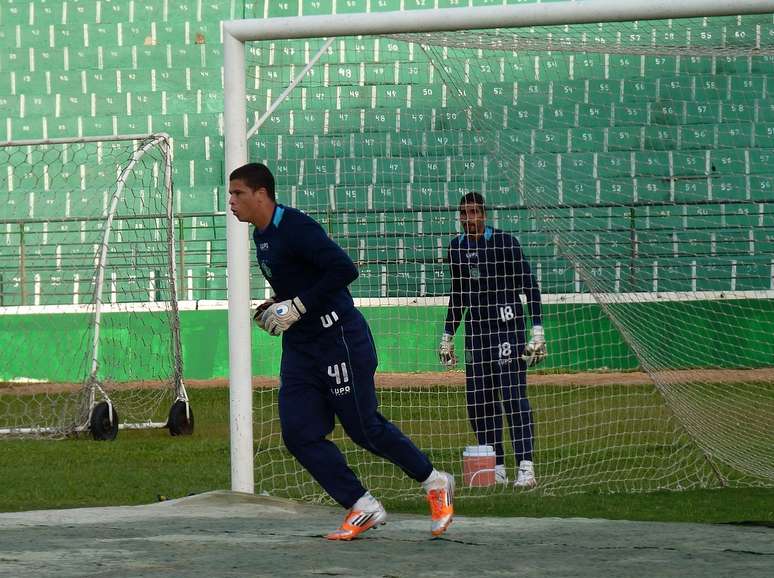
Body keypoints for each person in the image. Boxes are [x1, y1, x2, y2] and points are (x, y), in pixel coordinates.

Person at [228, 162, 454, 540]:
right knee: (298, 433)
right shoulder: (261, 236)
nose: (231, 201)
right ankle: (362, 505)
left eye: (238, 194)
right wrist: (274, 306)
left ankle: (434, 482)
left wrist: (297, 305)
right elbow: (301, 281)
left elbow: (344, 269)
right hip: (301, 347)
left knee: (364, 429)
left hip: (339, 340)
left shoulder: (297, 228)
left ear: (261, 195)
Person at [439, 192, 546, 488]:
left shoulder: (504, 242)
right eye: (463, 213)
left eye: (474, 212)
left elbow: (530, 286)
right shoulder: (456, 248)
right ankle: (495, 464)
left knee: (512, 396)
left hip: (507, 329)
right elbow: (458, 295)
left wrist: (537, 331)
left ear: (484, 214)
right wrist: (447, 337)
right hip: (476, 333)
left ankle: (526, 466)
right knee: (479, 402)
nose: (468, 219)